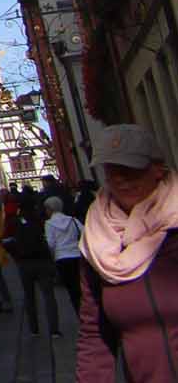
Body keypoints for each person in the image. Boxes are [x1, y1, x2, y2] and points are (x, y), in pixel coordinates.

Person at [78, 124, 178, 383]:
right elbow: (95, 334)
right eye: (112, 171)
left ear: (158, 169)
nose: (120, 179)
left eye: (131, 170)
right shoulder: (97, 241)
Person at [7, 188, 60, 336]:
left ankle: (34, 329)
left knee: (29, 297)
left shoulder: (15, 222)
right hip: (42, 260)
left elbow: (9, 241)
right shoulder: (41, 220)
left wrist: (16, 256)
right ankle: (54, 330)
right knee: (48, 296)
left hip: (24, 263)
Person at [47, 193, 85, 319]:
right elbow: (85, 233)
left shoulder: (49, 224)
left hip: (62, 257)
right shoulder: (73, 220)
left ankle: (80, 314)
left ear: (50, 209)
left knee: (71, 289)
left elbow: (51, 244)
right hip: (77, 255)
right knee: (83, 287)